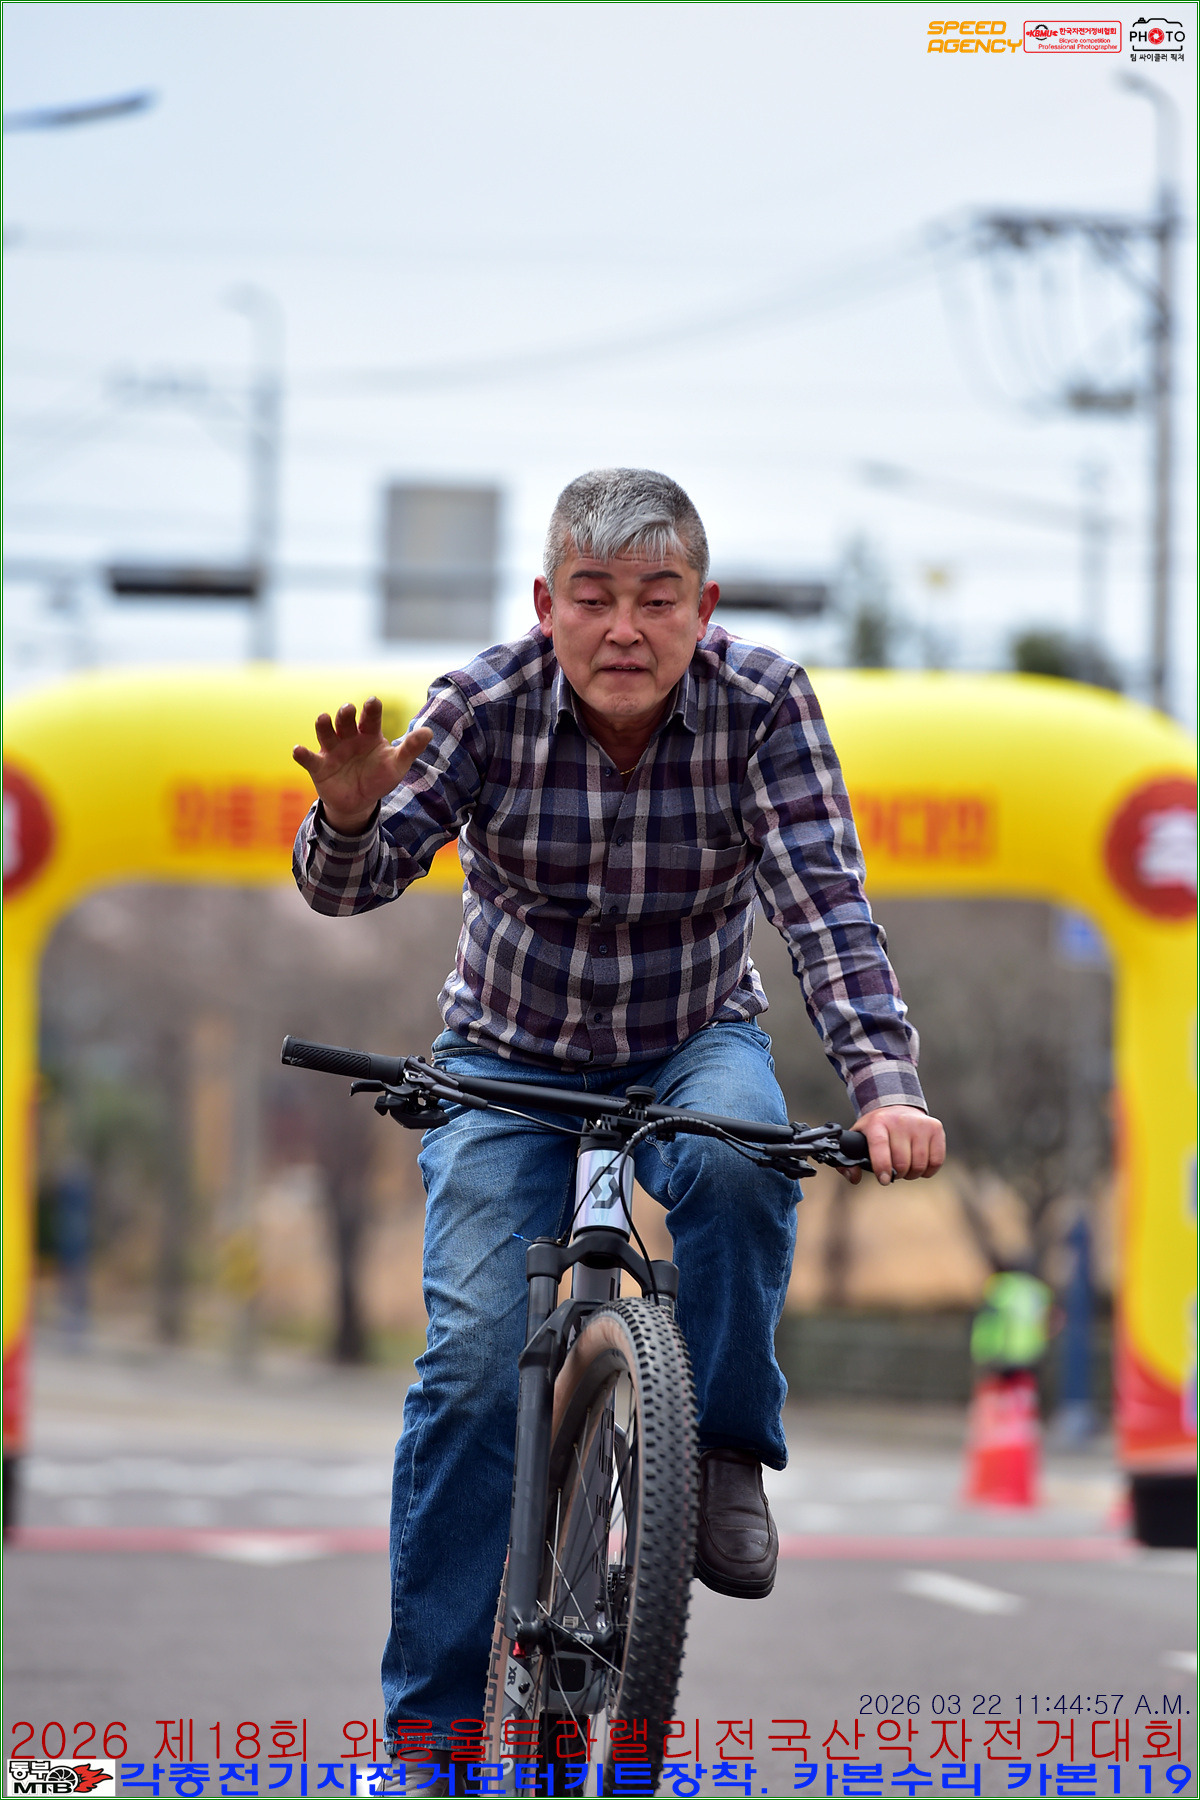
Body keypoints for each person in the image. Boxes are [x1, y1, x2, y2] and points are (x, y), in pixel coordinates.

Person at [291, 468, 946, 1779]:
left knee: (739, 1165)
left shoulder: (764, 705)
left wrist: (885, 1084)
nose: (625, 629)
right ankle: (427, 1745)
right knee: (473, 1369)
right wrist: (350, 817)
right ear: (547, 606)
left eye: (658, 599)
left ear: (704, 605)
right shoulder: (482, 705)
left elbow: (824, 905)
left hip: (696, 1037)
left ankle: (724, 1452)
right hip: (505, 1056)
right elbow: (349, 888)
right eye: (593, 598)